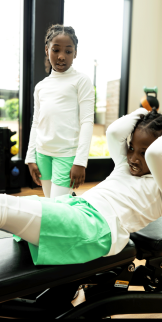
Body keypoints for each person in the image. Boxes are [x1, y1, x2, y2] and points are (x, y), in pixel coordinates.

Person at [0, 108, 162, 266]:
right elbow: (114, 132)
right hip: (75, 207)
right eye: (132, 148)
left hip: (95, 228)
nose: (134, 157)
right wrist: (143, 113)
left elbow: (156, 154)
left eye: (142, 152)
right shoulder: (125, 165)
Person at [26, 24, 95, 198]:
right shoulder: (41, 86)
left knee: (60, 207)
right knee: (52, 205)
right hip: (42, 154)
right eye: (56, 50)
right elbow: (36, 123)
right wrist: (30, 157)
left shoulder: (81, 81)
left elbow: (87, 122)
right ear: (47, 50)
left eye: (68, 51)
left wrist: (81, 162)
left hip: (66, 155)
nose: (62, 56)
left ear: (76, 53)